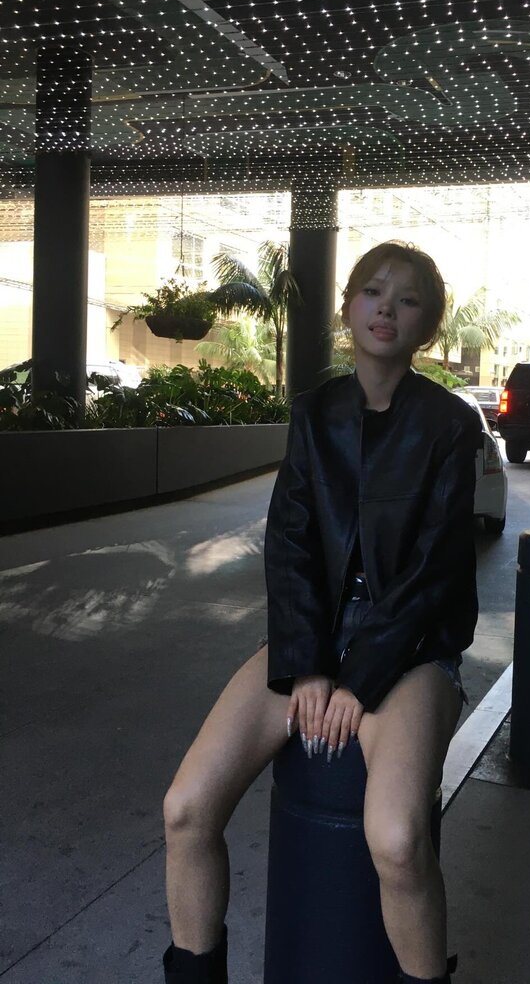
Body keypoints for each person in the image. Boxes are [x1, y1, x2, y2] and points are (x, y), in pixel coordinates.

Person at [161, 241, 481, 984]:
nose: (386, 308)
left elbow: (434, 572)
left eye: (407, 300)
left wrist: (358, 680)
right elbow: (291, 545)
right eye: (373, 291)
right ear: (347, 308)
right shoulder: (314, 414)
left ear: (427, 325)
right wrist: (307, 667)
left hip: (411, 652)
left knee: (396, 839)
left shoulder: (448, 423)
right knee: (186, 808)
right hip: (315, 639)